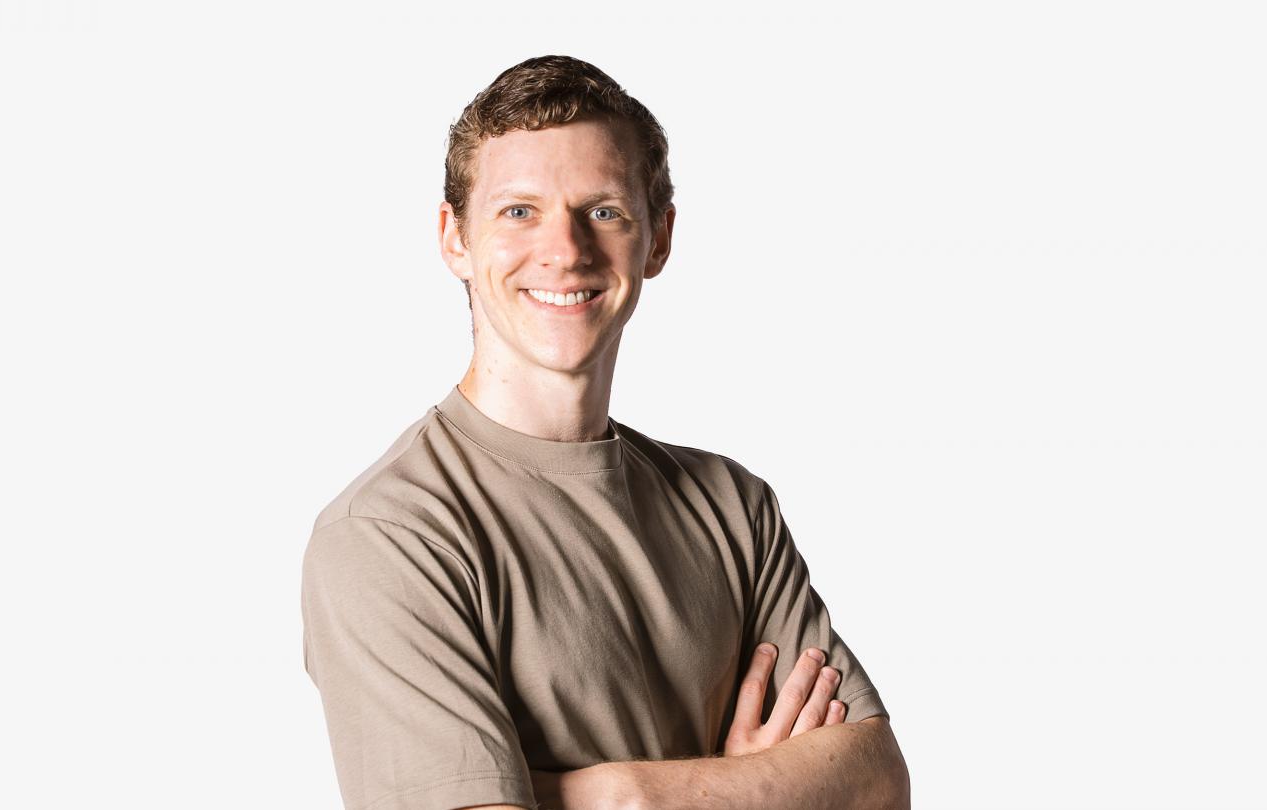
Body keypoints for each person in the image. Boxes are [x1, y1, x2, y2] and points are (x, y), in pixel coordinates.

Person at [301, 54, 910, 810]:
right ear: (454, 237)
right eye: (518, 210)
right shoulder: (391, 537)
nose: (565, 250)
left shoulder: (732, 507)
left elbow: (876, 779)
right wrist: (755, 790)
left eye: (604, 211)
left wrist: (621, 794)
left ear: (657, 239)